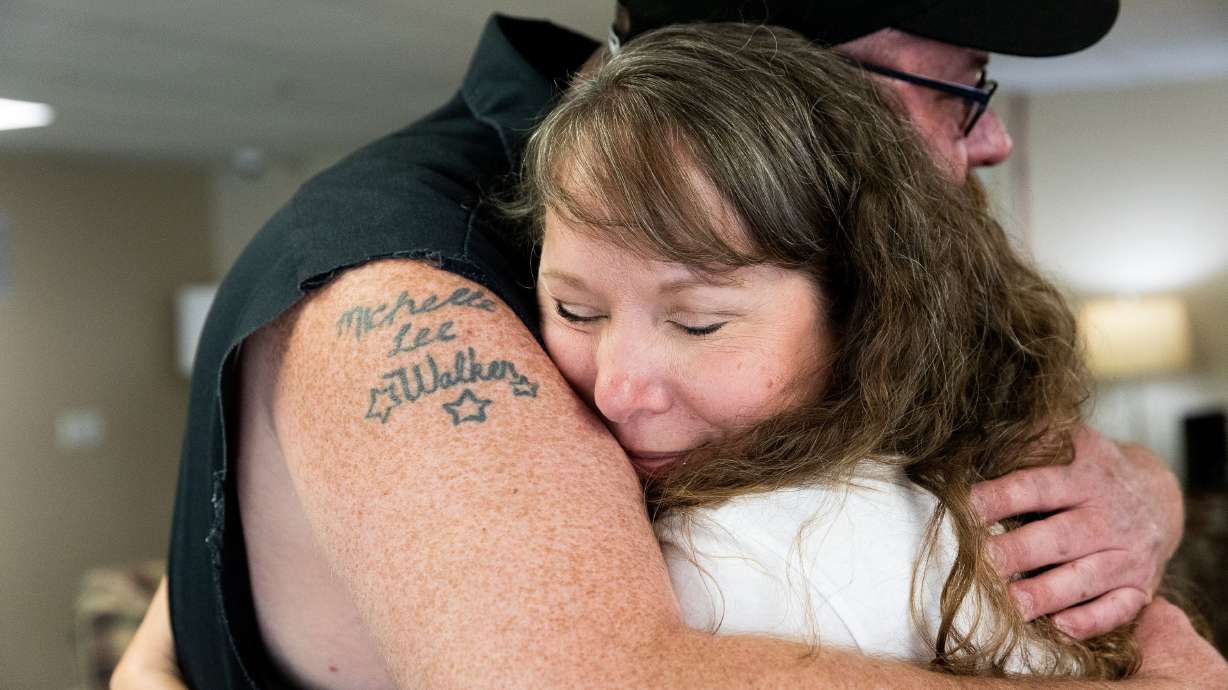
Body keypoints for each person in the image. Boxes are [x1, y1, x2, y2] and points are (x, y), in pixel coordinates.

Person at [114, 2, 1210, 688]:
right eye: (959, 82)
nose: (992, 133)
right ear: (781, 85)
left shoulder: (751, 224)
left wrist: (1140, 494)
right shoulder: (408, 287)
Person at [510, 21, 1142, 677]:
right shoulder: (918, 481)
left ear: (856, 312)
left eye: (698, 323)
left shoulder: (728, 564)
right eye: (575, 310)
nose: (616, 390)